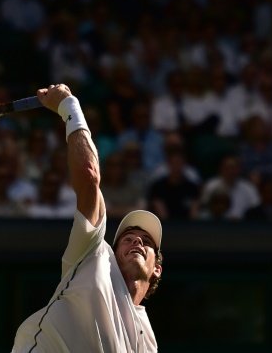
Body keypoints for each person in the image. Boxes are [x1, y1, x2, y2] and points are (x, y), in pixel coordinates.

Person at [12, 84, 163, 352]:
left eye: (146, 241)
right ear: (113, 255)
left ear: (157, 269)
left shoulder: (148, 343)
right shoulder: (94, 257)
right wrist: (69, 106)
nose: (136, 242)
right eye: (127, 239)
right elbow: (89, 175)